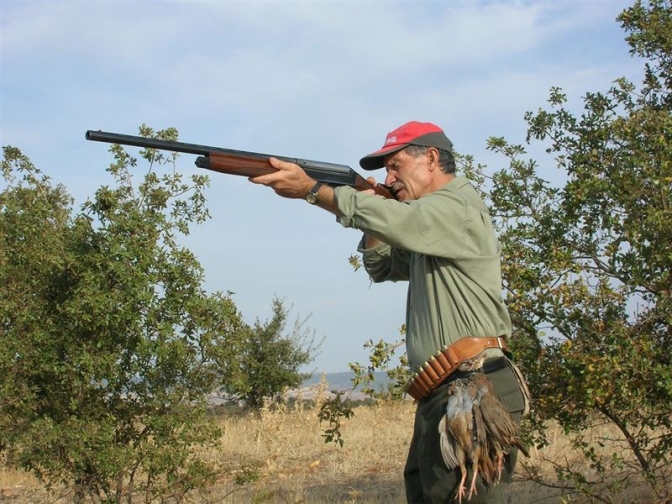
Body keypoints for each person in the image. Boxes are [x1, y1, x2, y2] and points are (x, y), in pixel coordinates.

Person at [249, 121, 529, 503]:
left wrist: (314, 191)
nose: (389, 176)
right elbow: (382, 267)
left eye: (395, 165)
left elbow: (403, 222)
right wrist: (375, 203)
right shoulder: (427, 220)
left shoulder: (455, 206)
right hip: (444, 391)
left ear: (430, 158)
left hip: (474, 387)